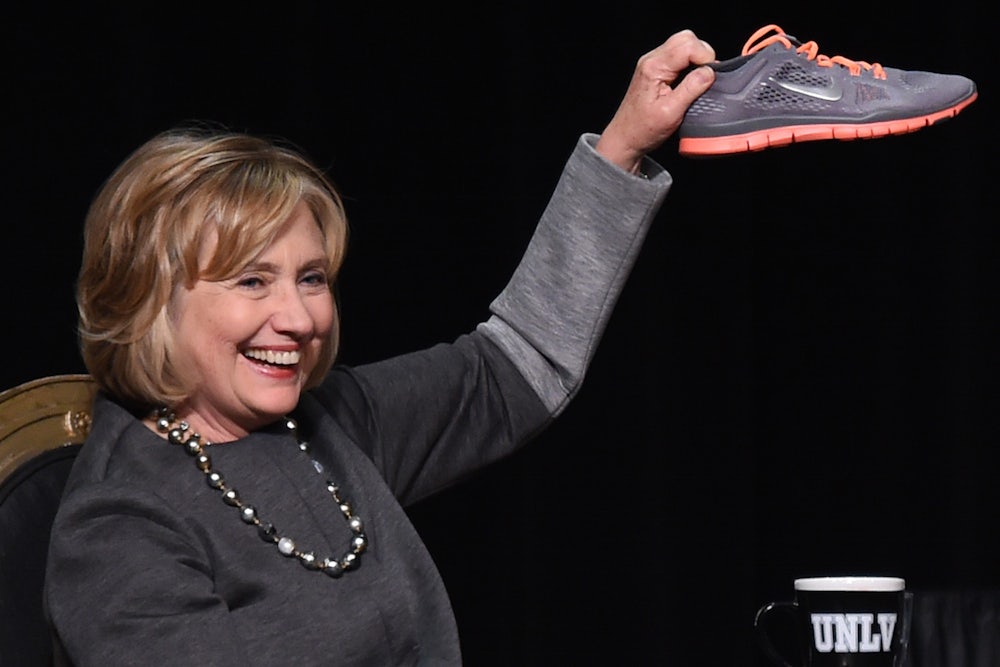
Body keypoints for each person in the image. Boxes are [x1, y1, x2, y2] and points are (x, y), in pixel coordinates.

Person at [43, 28, 717, 666]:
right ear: (149, 299)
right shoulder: (116, 529)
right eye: (252, 280)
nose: (298, 318)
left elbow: (512, 364)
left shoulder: (327, 423)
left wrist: (623, 144)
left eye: (311, 278)